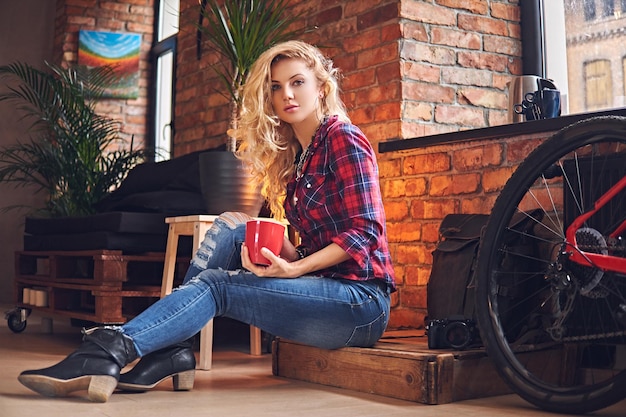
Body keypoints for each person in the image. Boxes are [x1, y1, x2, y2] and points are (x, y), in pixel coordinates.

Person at [17, 40, 396, 402]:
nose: (287, 95)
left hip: (360, 303)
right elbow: (313, 247)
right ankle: (173, 352)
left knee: (217, 287)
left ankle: (110, 349)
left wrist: (295, 269)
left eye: (298, 83)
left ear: (321, 88)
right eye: (277, 87)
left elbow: (365, 233)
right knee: (232, 227)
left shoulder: (343, 138)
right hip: (324, 289)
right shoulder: (299, 157)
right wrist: (286, 254)